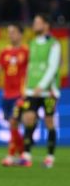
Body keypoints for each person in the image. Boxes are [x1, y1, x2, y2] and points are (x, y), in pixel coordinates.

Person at [0, 23, 29, 166]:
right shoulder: (5, 52)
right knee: (12, 125)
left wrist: (28, 91)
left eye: (13, 32)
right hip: (7, 94)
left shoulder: (26, 51)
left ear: (21, 34)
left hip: (20, 94)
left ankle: (10, 155)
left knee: (14, 122)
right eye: (9, 32)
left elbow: (30, 72)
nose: (11, 35)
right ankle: (23, 155)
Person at [19, 14, 61, 168]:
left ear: (46, 25)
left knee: (49, 121)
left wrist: (42, 86)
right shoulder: (32, 43)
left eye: (37, 22)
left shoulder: (54, 44)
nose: (34, 24)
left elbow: (53, 67)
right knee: (28, 118)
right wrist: (25, 86)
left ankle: (50, 156)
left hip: (48, 91)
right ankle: (26, 154)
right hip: (31, 89)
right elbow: (30, 66)